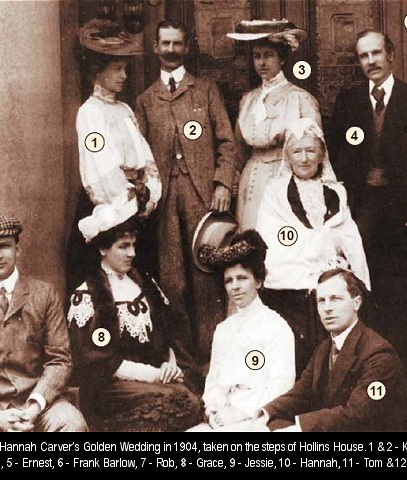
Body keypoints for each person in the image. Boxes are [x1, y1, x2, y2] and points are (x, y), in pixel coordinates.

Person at [134, 20, 239, 366]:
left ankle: (216, 356)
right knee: (172, 281)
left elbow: (227, 142)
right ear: (155, 47)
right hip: (164, 200)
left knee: (207, 276)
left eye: (177, 44)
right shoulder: (146, 100)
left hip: (202, 196)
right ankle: (183, 361)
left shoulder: (205, 90)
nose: (170, 50)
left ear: (187, 47)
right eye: (164, 43)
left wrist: (223, 183)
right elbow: (138, 157)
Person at [0, 213, 87, 432]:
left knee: (71, 423)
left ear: (17, 250)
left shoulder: (45, 295)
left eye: (5, 246)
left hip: (39, 400)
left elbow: (60, 360)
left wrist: (34, 407)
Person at [68, 205, 201, 431]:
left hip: (156, 380)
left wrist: (170, 365)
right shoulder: (88, 296)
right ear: (103, 249)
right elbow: (101, 361)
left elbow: (168, 333)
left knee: (191, 398)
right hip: (112, 387)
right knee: (182, 402)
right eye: (123, 247)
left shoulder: (145, 283)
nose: (132, 253)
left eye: (133, 245)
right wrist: (154, 375)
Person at [256, 118, 370, 374]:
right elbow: (274, 237)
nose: (304, 158)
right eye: (297, 151)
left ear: (321, 154)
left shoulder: (336, 192)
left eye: (310, 150)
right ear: (288, 156)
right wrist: (318, 245)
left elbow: (347, 235)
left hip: (327, 271)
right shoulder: (275, 192)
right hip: (288, 279)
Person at [329, 30, 407, 348]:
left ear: (390, 54)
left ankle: (400, 353)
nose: (371, 61)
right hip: (361, 204)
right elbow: (337, 152)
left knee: (399, 281)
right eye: (364, 56)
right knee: (364, 278)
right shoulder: (350, 99)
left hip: (401, 205)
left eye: (376, 53)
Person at [67, 18, 161, 294]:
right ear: (98, 71)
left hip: (136, 207)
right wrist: (130, 202)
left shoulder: (124, 110)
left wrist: (150, 195)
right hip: (110, 211)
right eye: (117, 69)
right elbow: (101, 167)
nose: (124, 75)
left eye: (125, 69)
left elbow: (146, 159)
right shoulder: (89, 112)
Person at [259, 269, 407, 432]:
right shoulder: (323, 350)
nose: (327, 308)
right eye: (321, 301)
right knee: (272, 425)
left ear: (357, 303)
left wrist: (298, 429)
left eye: (336, 299)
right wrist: (264, 414)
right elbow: (300, 394)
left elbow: (356, 414)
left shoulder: (379, 355)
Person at [188, 230, 295, 431]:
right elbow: (213, 382)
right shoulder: (223, 329)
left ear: (258, 281)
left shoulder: (276, 327)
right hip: (221, 416)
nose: (235, 286)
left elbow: (282, 385)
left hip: (256, 417)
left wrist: (241, 412)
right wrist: (212, 411)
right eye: (229, 280)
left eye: (242, 278)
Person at [227, 19, 322, 230]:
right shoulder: (248, 100)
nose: (262, 63)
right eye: (256, 56)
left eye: (268, 56)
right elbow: (238, 151)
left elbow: (316, 153)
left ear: (282, 59)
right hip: (251, 181)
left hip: (286, 179)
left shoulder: (301, 99)